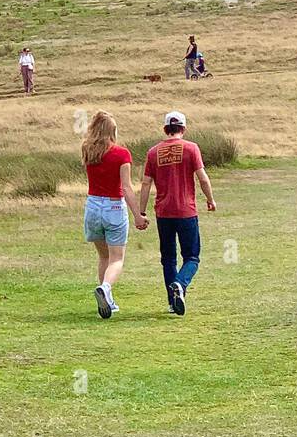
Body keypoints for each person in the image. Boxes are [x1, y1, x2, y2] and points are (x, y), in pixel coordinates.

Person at [139, 110, 216, 315]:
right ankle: (180, 284)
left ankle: (173, 302)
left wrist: (141, 210)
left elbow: (146, 183)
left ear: (166, 129)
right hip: (186, 211)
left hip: (163, 212)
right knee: (192, 257)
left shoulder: (153, 152)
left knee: (168, 259)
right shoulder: (191, 148)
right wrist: (209, 199)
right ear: (183, 128)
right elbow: (202, 178)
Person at [80, 111, 148, 319]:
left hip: (93, 205)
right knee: (117, 259)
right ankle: (106, 288)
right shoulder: (121, 154)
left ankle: (107, 299)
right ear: (112, 131)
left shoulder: (87, 150)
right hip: (113, 207)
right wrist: (138, 215)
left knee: (103, 256)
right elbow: (126, 188)